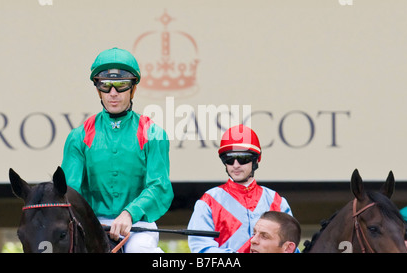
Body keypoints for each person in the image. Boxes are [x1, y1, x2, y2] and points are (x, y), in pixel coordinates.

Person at [61, 47, 174, 253]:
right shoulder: (78, 137)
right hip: (92, 223)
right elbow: (70, 191)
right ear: (98, 90)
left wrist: (129, 213)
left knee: (140, 251)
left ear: (133, 89)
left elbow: (159, 187)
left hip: (138, 225)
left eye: (121, 85)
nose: (113, 93)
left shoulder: (154, 134)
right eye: (106, 86)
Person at [187, 124, 294, 253]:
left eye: (243, 158)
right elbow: (201, 247)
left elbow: (289, 247)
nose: (236, 165)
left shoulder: (276, 201)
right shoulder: (209, 201)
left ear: (256, 159)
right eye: (229, 159)